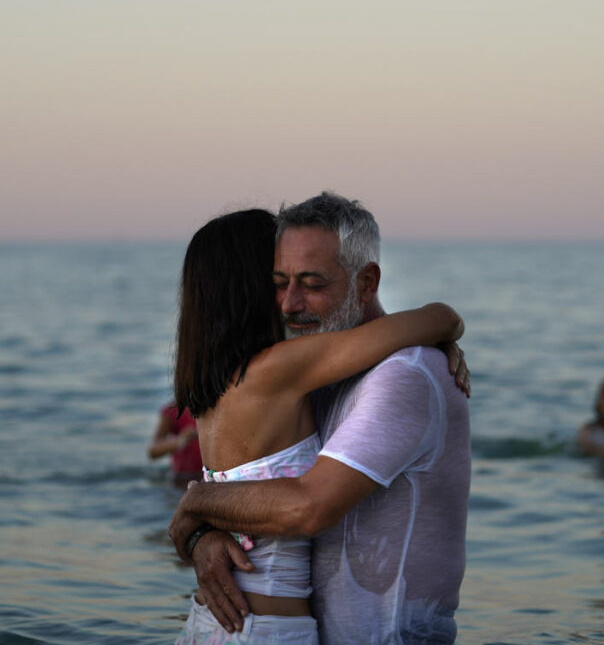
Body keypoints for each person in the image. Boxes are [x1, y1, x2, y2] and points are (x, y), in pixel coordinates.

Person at [170, 192, 471, 645]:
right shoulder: (298, 376)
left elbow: (306, 507)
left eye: (312, 283)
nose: (290, 304)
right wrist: (201, 537)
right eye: (278, 282)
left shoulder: (399, 375)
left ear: (366, 283)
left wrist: (196, 505)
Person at [148, 402, 202, 483]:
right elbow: (153, 451)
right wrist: (180, 440)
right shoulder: (173, 411)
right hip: (182, 477)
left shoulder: (215, 408)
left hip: (207, 476)